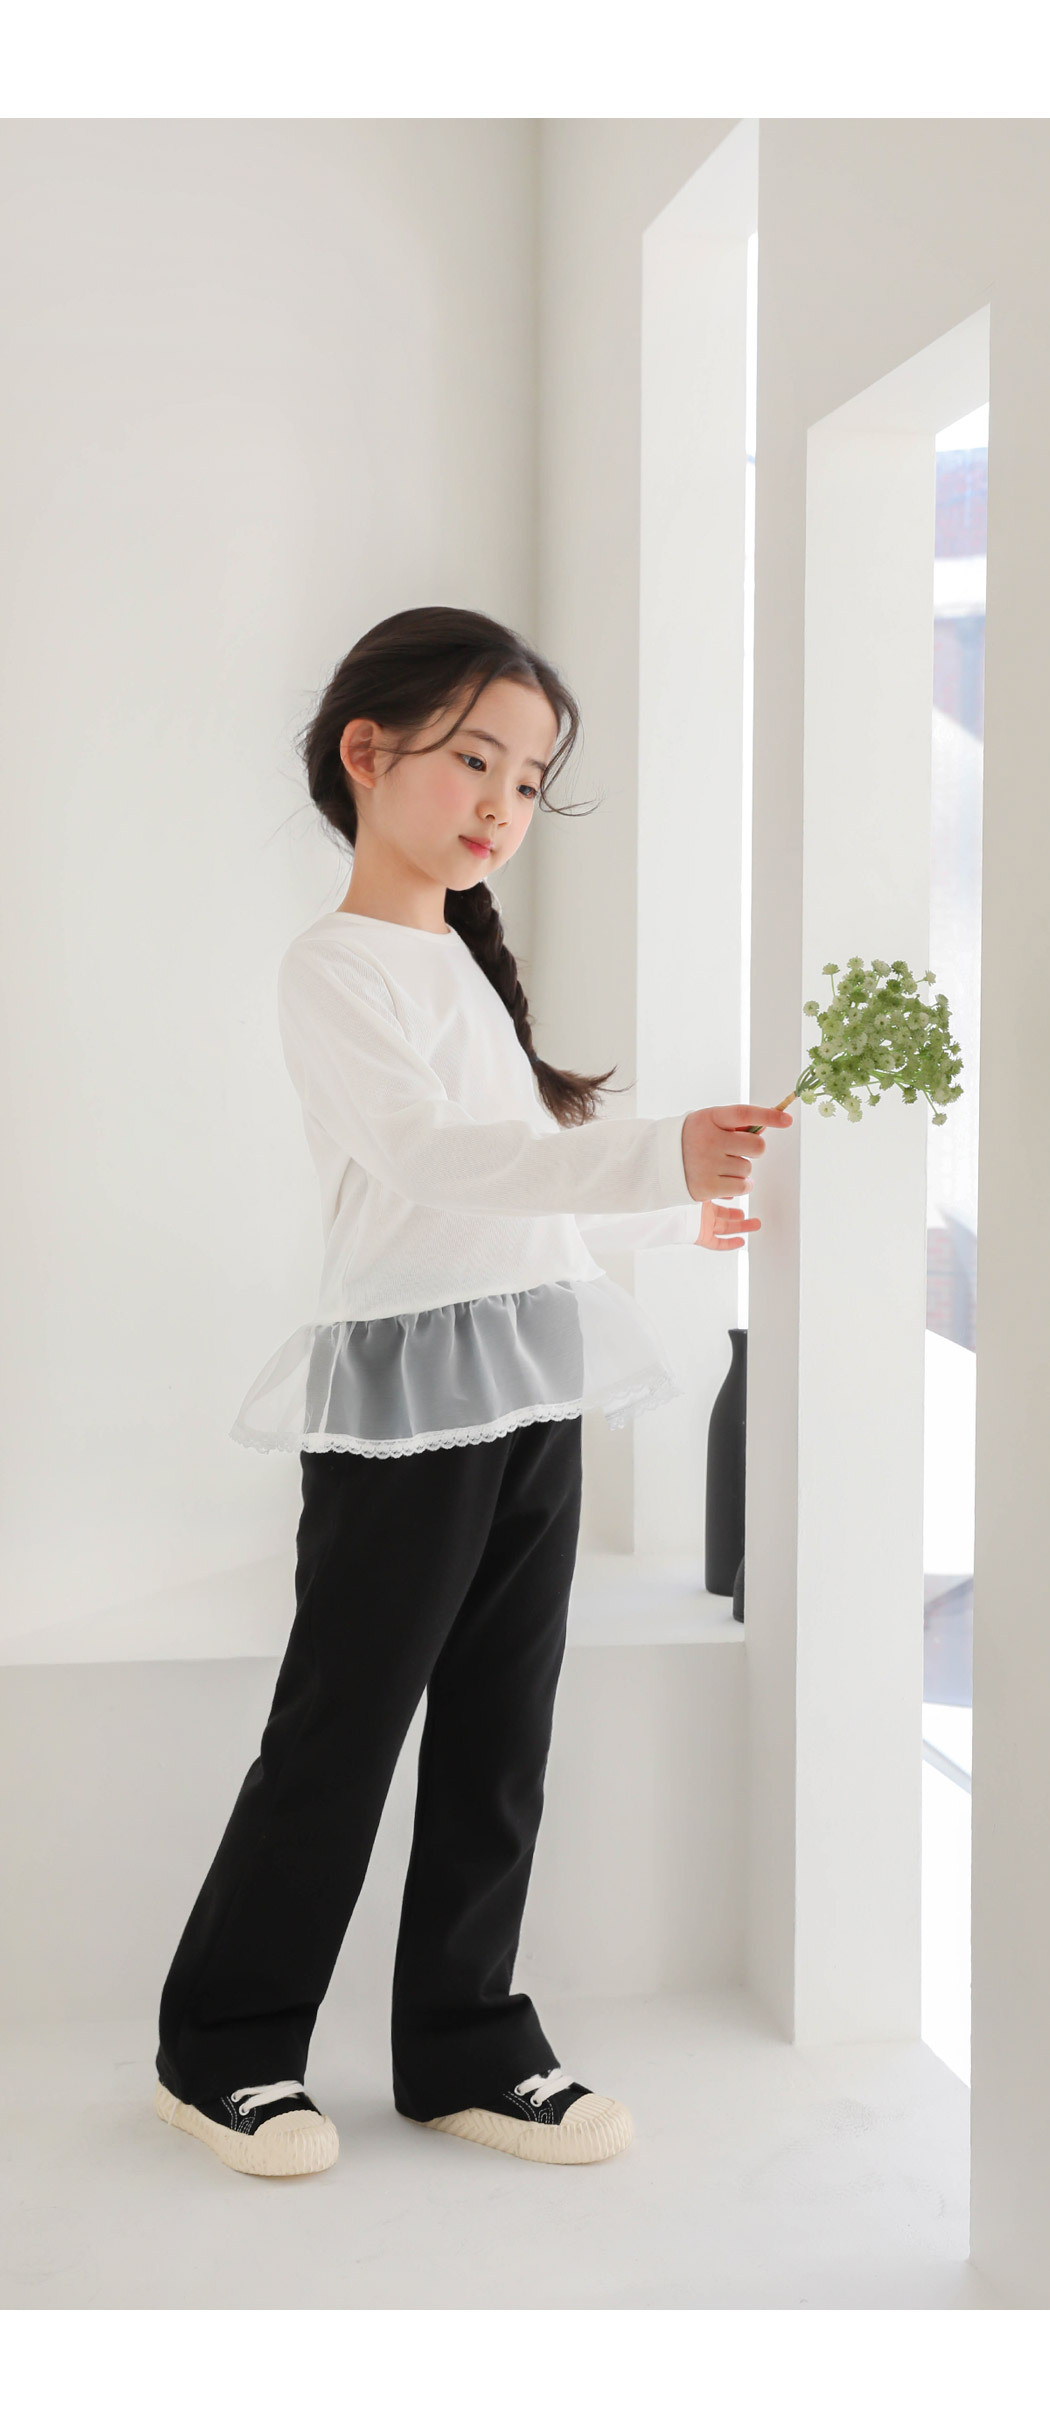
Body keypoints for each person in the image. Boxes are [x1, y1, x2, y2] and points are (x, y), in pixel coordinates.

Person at [153, 605, 792, 2179]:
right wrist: (652, 1156)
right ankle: (223, 2049)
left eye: (527, 779)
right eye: (475, 761)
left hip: (528, 1376)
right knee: (342, 1731)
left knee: (501, 1729)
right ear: (367, 755)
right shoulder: (336, 969)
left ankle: (465, 2045)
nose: (503, 802)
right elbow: (436, 1161)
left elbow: (521, 1193)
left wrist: (679, 1211)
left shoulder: (455, 966)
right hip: (405, 1403)